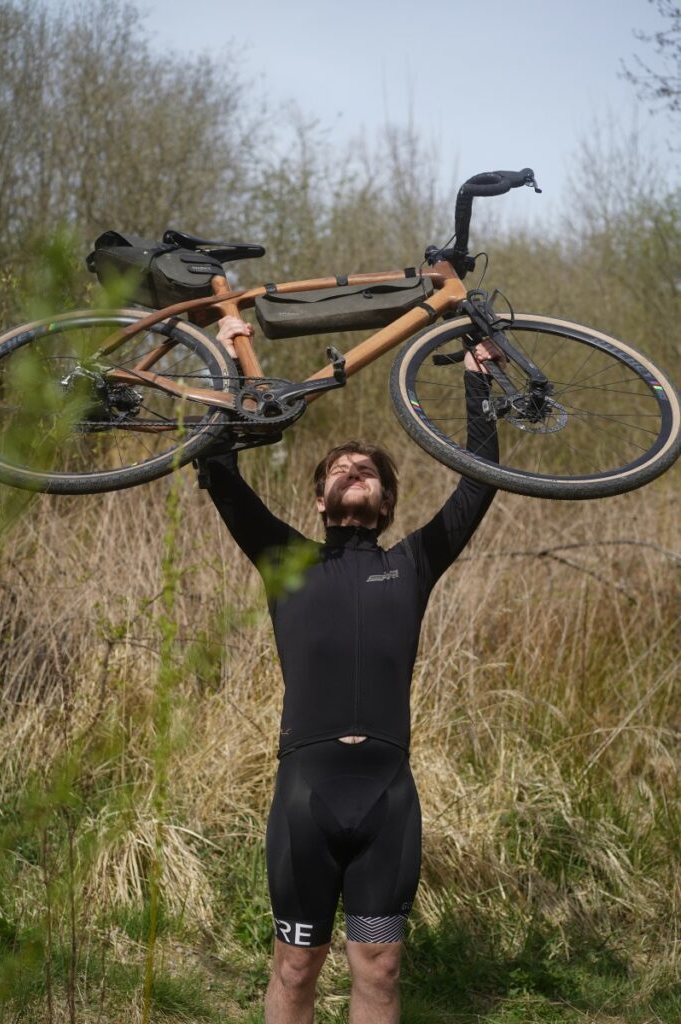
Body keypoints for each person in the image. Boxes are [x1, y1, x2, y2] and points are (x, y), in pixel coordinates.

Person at [198, 315, 502, 1024]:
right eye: (338, 468)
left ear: (387, 502)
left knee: (380, 966)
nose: (352, 471)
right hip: (307, 794)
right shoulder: (286, 559)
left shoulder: (412, 563)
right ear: (318, 500)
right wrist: (220, 355)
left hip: (386, 802)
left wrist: (475, 380)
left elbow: (480, 484)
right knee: (296, 966)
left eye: (366, 470)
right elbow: (217, 468)